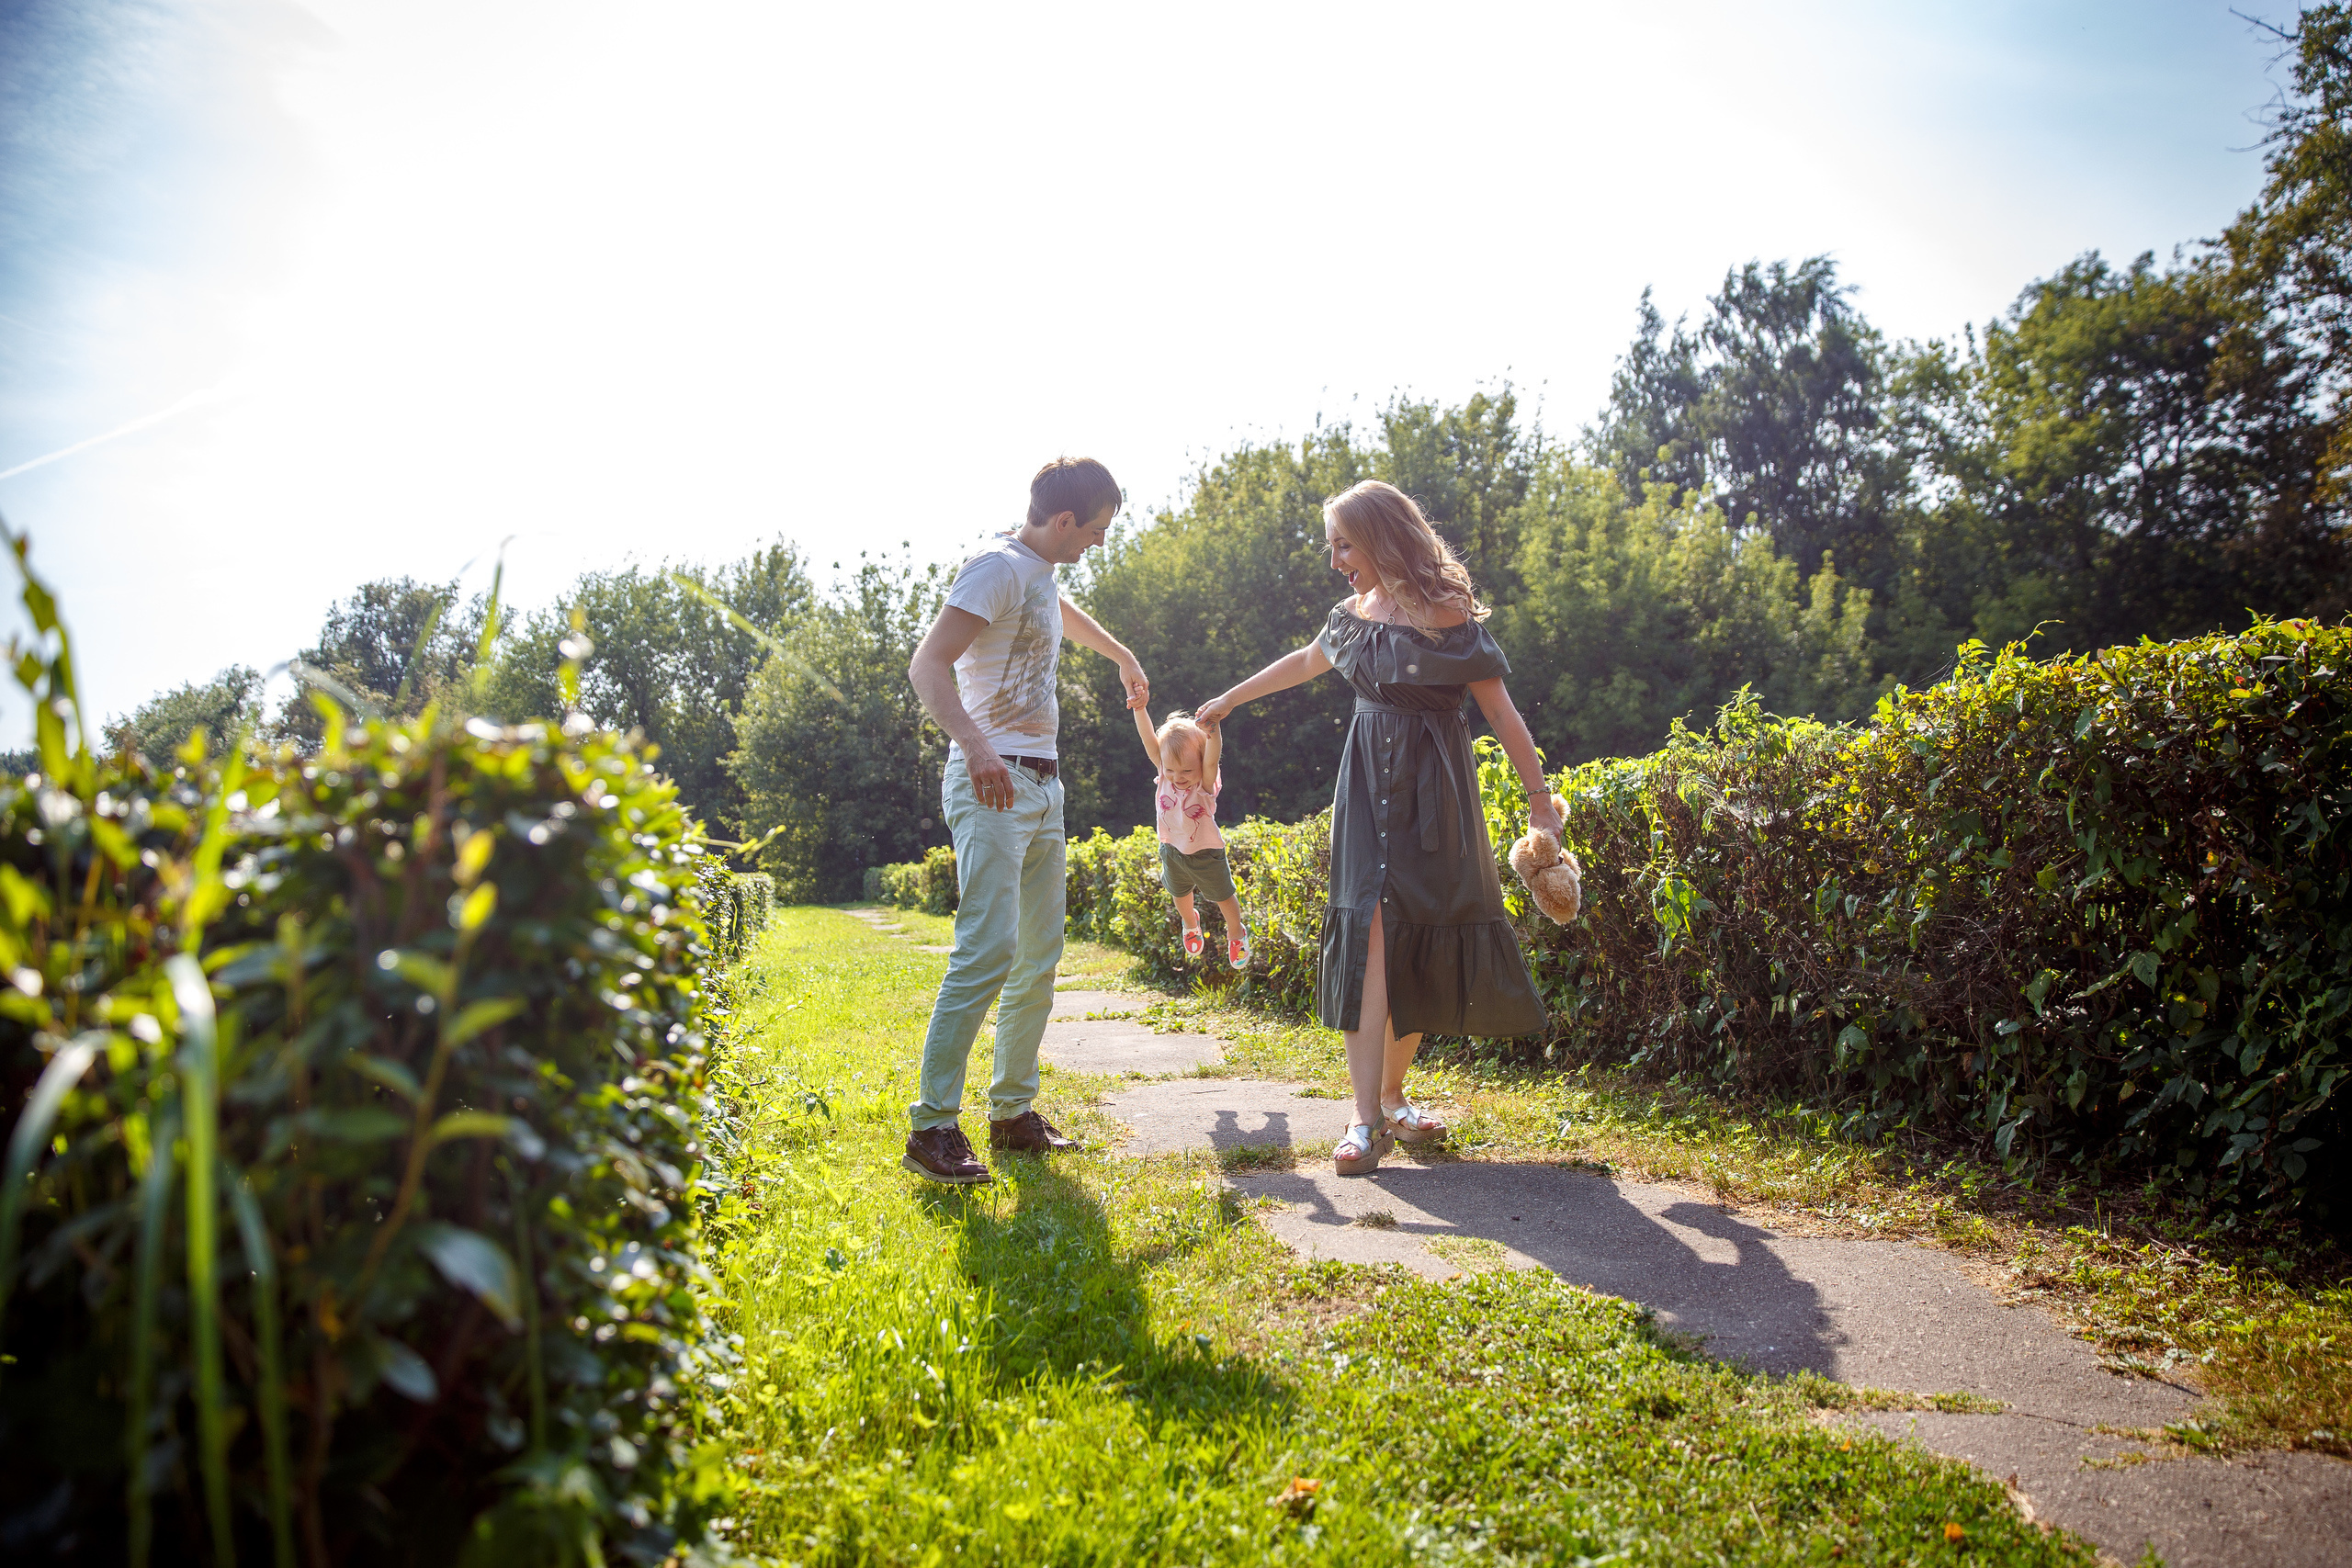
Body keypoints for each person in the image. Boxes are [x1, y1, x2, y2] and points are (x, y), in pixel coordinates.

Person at [1198, 479, 1557, 1176]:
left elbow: (1503, 714)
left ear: (1382, 537)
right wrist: (1230, 699)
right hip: (1365, 787)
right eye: (1332, 546)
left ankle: (1392, 1096)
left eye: (1343, 543)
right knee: (1367, 933)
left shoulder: (1447, 612)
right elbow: (1305, 662)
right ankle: (1363, 1118)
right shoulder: (1349, 617)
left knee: (1420, 934)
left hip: (1437, 792)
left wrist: (1540, 801)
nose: (1335, 560)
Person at [901, 457, 1149, 1185]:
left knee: (1039, 954)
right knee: (989, 948)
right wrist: (974, 744)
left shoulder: (1038, 572)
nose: (1098, 544)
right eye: (1096, 530)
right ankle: (932, 1127)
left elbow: (1058, 609)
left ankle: (1011, 1114)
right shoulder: (996, 568)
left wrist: (1121, 653)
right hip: (995, 777)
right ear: (1064, 520)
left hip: (1044, 784)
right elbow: (928, 665)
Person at [1130, 705, 1250, 969]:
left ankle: (1236, 931)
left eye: (1186, 771)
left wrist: (1213, 732)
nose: (1177, 777)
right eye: (1172, 770)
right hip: (1172, 849)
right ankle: (1190, 922)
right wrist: (1139, 708)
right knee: (1179, 892)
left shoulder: (1204, 785)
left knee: (1223, 896)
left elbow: (1211, 758)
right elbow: (1147, 737)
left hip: (1205, 852)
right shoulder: (1165, 774)